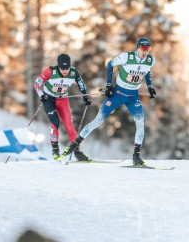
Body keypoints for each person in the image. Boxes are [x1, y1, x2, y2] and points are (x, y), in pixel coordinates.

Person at [59, 37, 157, 166]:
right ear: (137, 48)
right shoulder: (126, 57)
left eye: (148, 49)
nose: (145, 52)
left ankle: (136, 156)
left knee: (140, 122)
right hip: (118, 93)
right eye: (143, 48)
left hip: (133, 96)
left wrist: (150, 87)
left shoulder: (150, 60)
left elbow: (147, 71)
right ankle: (73, 147)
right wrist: (109, 85)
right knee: (98, 120)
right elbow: (110, 64)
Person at [34, 54, 91, 160]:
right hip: (49, 99)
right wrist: (42, 95)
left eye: (67, 68)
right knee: (55, 122)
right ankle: (55, 150)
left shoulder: (74, 72)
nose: (65, 71)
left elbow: (80, 83)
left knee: (69, 126)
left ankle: (77, 152)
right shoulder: (50, 71)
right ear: (58, 66)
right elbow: (37, 83)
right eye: (62, 68)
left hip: (63, 100)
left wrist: (85, 96)